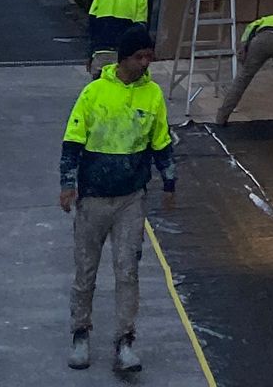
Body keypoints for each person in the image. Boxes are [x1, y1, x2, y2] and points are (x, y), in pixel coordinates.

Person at [59, 24, 177, 377]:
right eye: (139, 57)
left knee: (128, 272)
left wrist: (169, 183)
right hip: (93, 199)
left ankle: (125, 341)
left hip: (131, 200)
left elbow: (161, 142)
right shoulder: (94, 93)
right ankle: (80, 333)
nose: (145, 63)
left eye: (149, 57)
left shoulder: (152, 95)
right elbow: (72, 142)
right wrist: (68, 184)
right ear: (124, 58)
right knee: (86, 271)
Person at [215, 9, 273, 127]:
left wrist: (243, 52)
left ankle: (221, 117)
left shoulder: (260, 21)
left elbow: (246, 35)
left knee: (243, 78)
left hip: (261, 41)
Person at [85, 0, 150, 72]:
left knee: (99, 81)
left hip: (101, 47)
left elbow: (92, 20)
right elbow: (140, 27)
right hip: (122, 52)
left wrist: (90, 53)